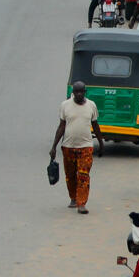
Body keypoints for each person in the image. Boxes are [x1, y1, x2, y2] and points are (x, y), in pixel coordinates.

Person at [50, 82, 97, 213]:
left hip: (86, 147)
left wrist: (101, 141)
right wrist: (53, 146)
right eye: (76, 92)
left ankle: (81, 204)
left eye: (81, 92)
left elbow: (95, 124)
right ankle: (73, 198)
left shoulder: (91, 106)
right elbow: (61, 126)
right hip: (68, 147)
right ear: (73, 92)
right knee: (70, 175)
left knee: (83, 175)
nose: (79, 94)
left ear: (85, 92)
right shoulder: (65, 105)